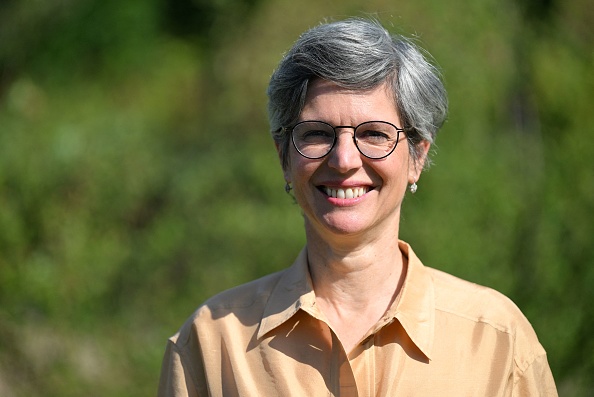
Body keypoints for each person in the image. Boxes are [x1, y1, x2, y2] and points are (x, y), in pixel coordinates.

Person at [158, 18, 558, 396]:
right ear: (284, 156)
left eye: (373, 133)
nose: (344, 159)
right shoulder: (212, 343)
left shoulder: (495, 340)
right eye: (317, 133)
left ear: (417, 157)